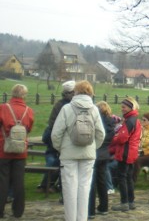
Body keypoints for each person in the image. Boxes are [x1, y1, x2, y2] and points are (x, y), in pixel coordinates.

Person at [51, 80, 105, 221]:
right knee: (84, 188)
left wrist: (61, 148)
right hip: (88, 154)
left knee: (69, 189)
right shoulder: (94, 109)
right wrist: (93, 147)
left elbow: (56, 134)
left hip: (68, 154)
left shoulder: (67, 108)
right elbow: (101, 134)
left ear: (75, 91)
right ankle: (82, 218)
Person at [0, 84, 35, 219]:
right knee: (19, 181)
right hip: (21, 151)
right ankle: (18, 211)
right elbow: (29, 128)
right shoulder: (29, 111)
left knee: (2, 180)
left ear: (12, 93)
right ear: (24, 95)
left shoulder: (3, 108)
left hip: (3, 149)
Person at [39, 80, 75, 193]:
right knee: (56, 161)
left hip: (57, 136)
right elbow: (57, 124)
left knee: (56, 161)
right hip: (59, 137)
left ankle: (48, 184)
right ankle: (49, 184)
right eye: (73, 93)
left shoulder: (60, 104)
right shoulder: (64, 106)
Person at [110, 97, 142, 212]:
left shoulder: (129, 121)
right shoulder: (135, 119)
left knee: (122, 177)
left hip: (125, 152)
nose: (122, 109)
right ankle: (131, 201)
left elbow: (122, 138)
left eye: (124, 107)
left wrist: (114, 138)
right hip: (132, 152)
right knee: (128, 177)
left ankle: (124, 202)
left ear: (130, 107)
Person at [89, 101, 115, 218]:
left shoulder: (97, 122)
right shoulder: (111, 122)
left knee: (91, 183)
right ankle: (103, 206)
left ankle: (90, 210)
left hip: (95, 153)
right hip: (105, 154)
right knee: (102, 181)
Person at [133, 112, 149, 184]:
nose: (142, 121)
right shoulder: (143, 129)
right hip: (143, 151)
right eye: (142, 120)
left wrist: (140, 147)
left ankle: (132, 181)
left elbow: (148, 143)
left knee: (137, 161)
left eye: (144, 120)